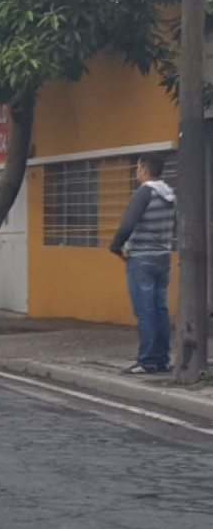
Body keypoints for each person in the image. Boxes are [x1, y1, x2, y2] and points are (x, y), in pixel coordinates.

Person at [109, 153, 176, 375]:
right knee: (160, 308)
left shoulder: (144, 193)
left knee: (145, 310)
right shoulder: (170, 194)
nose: (136, 173)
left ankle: (146, 360)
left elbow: (128, 222)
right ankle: (162, 359)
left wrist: (116, 246)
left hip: (142, 258)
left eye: (137, 169)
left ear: (144, 170)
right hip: (163, 256)